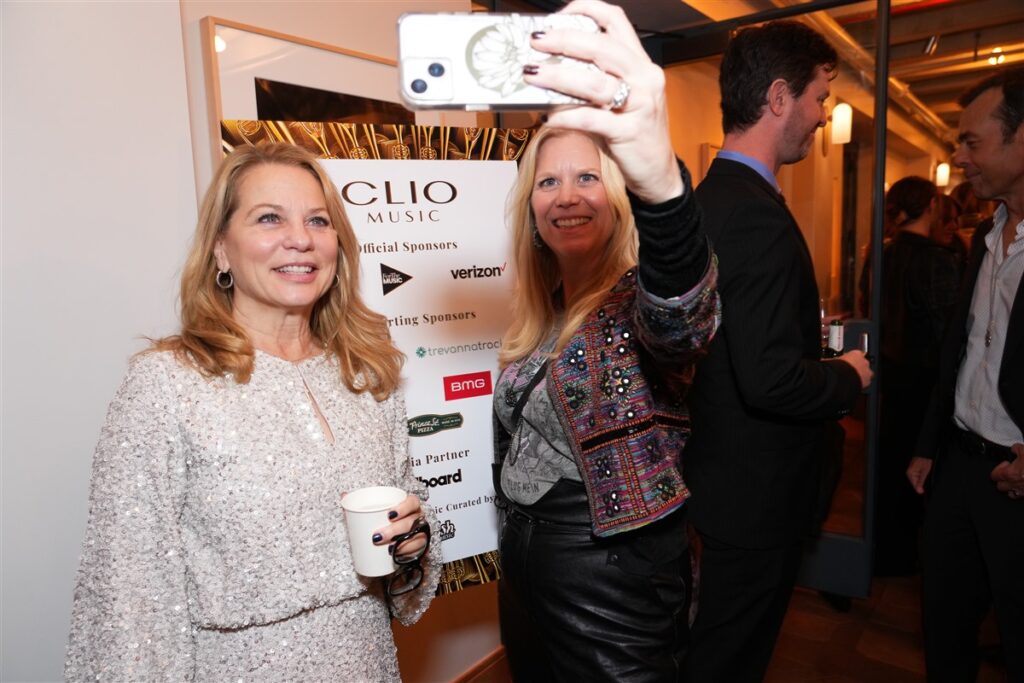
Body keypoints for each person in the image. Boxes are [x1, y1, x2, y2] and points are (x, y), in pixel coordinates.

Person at [64, 142, 439, 681]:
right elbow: (128, 599)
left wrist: (413, 544)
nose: (300, 238)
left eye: (318, 220)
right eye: (269, 218)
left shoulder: (366, 373)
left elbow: (404, 559)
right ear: (221, 249)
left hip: (368, 662)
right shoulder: (167, 384)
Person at [491, 1, 720, 680]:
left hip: (613, 581)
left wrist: (665, 192)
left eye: (587, 176)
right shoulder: (541, 310)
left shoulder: (636, 298)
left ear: (618, 195)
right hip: (526, 570)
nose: (567, 196)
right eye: (549, 181)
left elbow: (682, 321)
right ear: (531, 208)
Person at [681, 21, 872, 682]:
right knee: (729, 659)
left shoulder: (708, 201)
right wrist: (846, 375)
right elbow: (768, 378)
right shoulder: (753, 213)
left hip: (721, 482)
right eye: (820, 98)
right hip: (754, 500)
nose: (822, 116)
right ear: (779, 97)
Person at [906, 66, 1024, 682]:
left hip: (1017, 478)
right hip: (957, 467)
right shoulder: (984, 237)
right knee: (945, 630)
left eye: (972, 142)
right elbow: (959, 348)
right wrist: (929, 443)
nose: (958, 158)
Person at [874, 176, 962, 576]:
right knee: (919, 466)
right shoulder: (937, 260)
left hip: (890, 373)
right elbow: (951, 334)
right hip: (926, 381)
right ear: (931, 206)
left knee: (890, 461)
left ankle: (885, 549)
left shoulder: (884, 253)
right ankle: (904, 553)